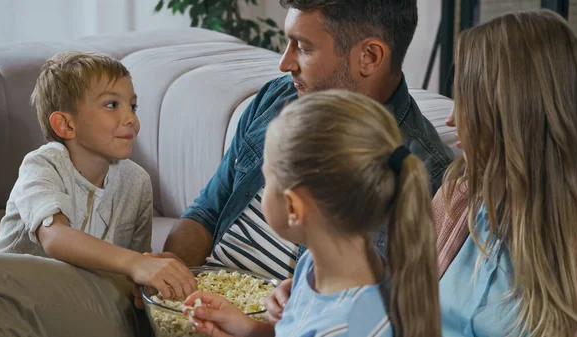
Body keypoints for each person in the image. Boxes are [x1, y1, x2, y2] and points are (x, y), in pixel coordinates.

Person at [155, 0, 453, 306]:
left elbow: (368, 311)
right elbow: (207, 212)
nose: (285, 63)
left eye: (304, 47)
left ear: (369, 56)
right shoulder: (277, 98)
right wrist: (169, 279)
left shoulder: (422, 172)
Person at [181, 90, 441, 337]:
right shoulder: (322, 270)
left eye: (267, 178)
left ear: (293, 207)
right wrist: (249, 329)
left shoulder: (344, 327)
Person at [0, 51, 194, 337]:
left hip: (87, 303)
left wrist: (149, 272)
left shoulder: (137, 181)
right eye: (111, 105)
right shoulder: (43, 164)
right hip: (24, 300)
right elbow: (55, 238)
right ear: (66, 125)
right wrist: (136, 263)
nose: (130, 118)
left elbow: (132, 270)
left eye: (133, 105)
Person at [434, 10, 577, 337]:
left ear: (511, 114)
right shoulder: (457, 197)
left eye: (466, 100)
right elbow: (390, 298)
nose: (451, 118)